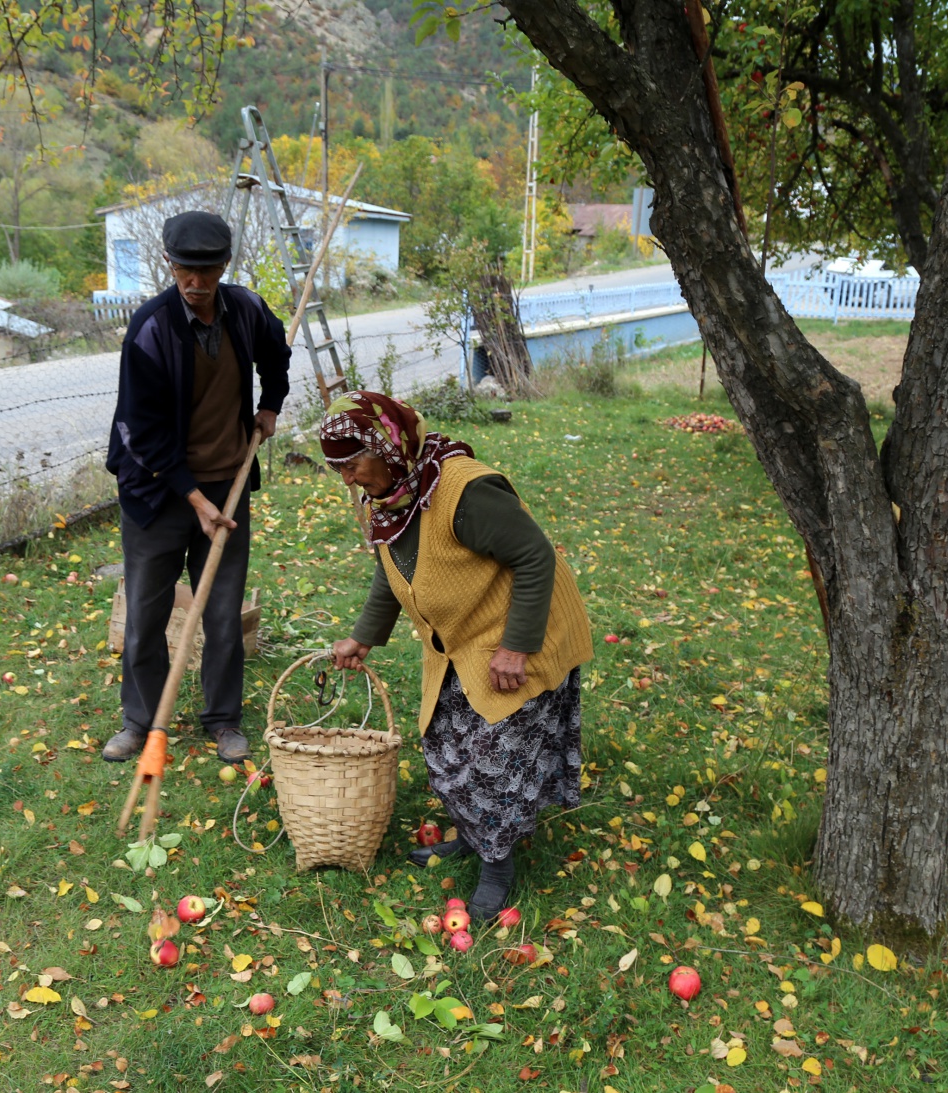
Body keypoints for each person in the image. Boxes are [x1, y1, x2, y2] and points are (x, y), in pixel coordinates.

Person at [325, 391, 592, 921]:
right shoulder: (393, 496)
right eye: (338, 468)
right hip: (461, 637)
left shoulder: (464, 492)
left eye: (353, 462)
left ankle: (497, 866)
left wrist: (517, 646)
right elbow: (393, 568)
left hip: (519, 628)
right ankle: (474, 836)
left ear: (387, 444)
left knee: (495, 761)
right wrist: (364, 636)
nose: (349, 479)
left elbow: (535, 557)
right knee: (446, 747)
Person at [103, 211, 292, 765]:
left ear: (224, 266)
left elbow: (277, 354)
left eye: (207, 271)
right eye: (185, 270)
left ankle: (222, 720)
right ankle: (141, 720)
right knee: (145, 613)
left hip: (227, 482)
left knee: (223, 610)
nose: (196, 282)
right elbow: (142, 433)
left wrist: (270, 405)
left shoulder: (248, 309)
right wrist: (194, 499)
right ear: (169, 265)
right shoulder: (151, 329)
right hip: (157, 493)